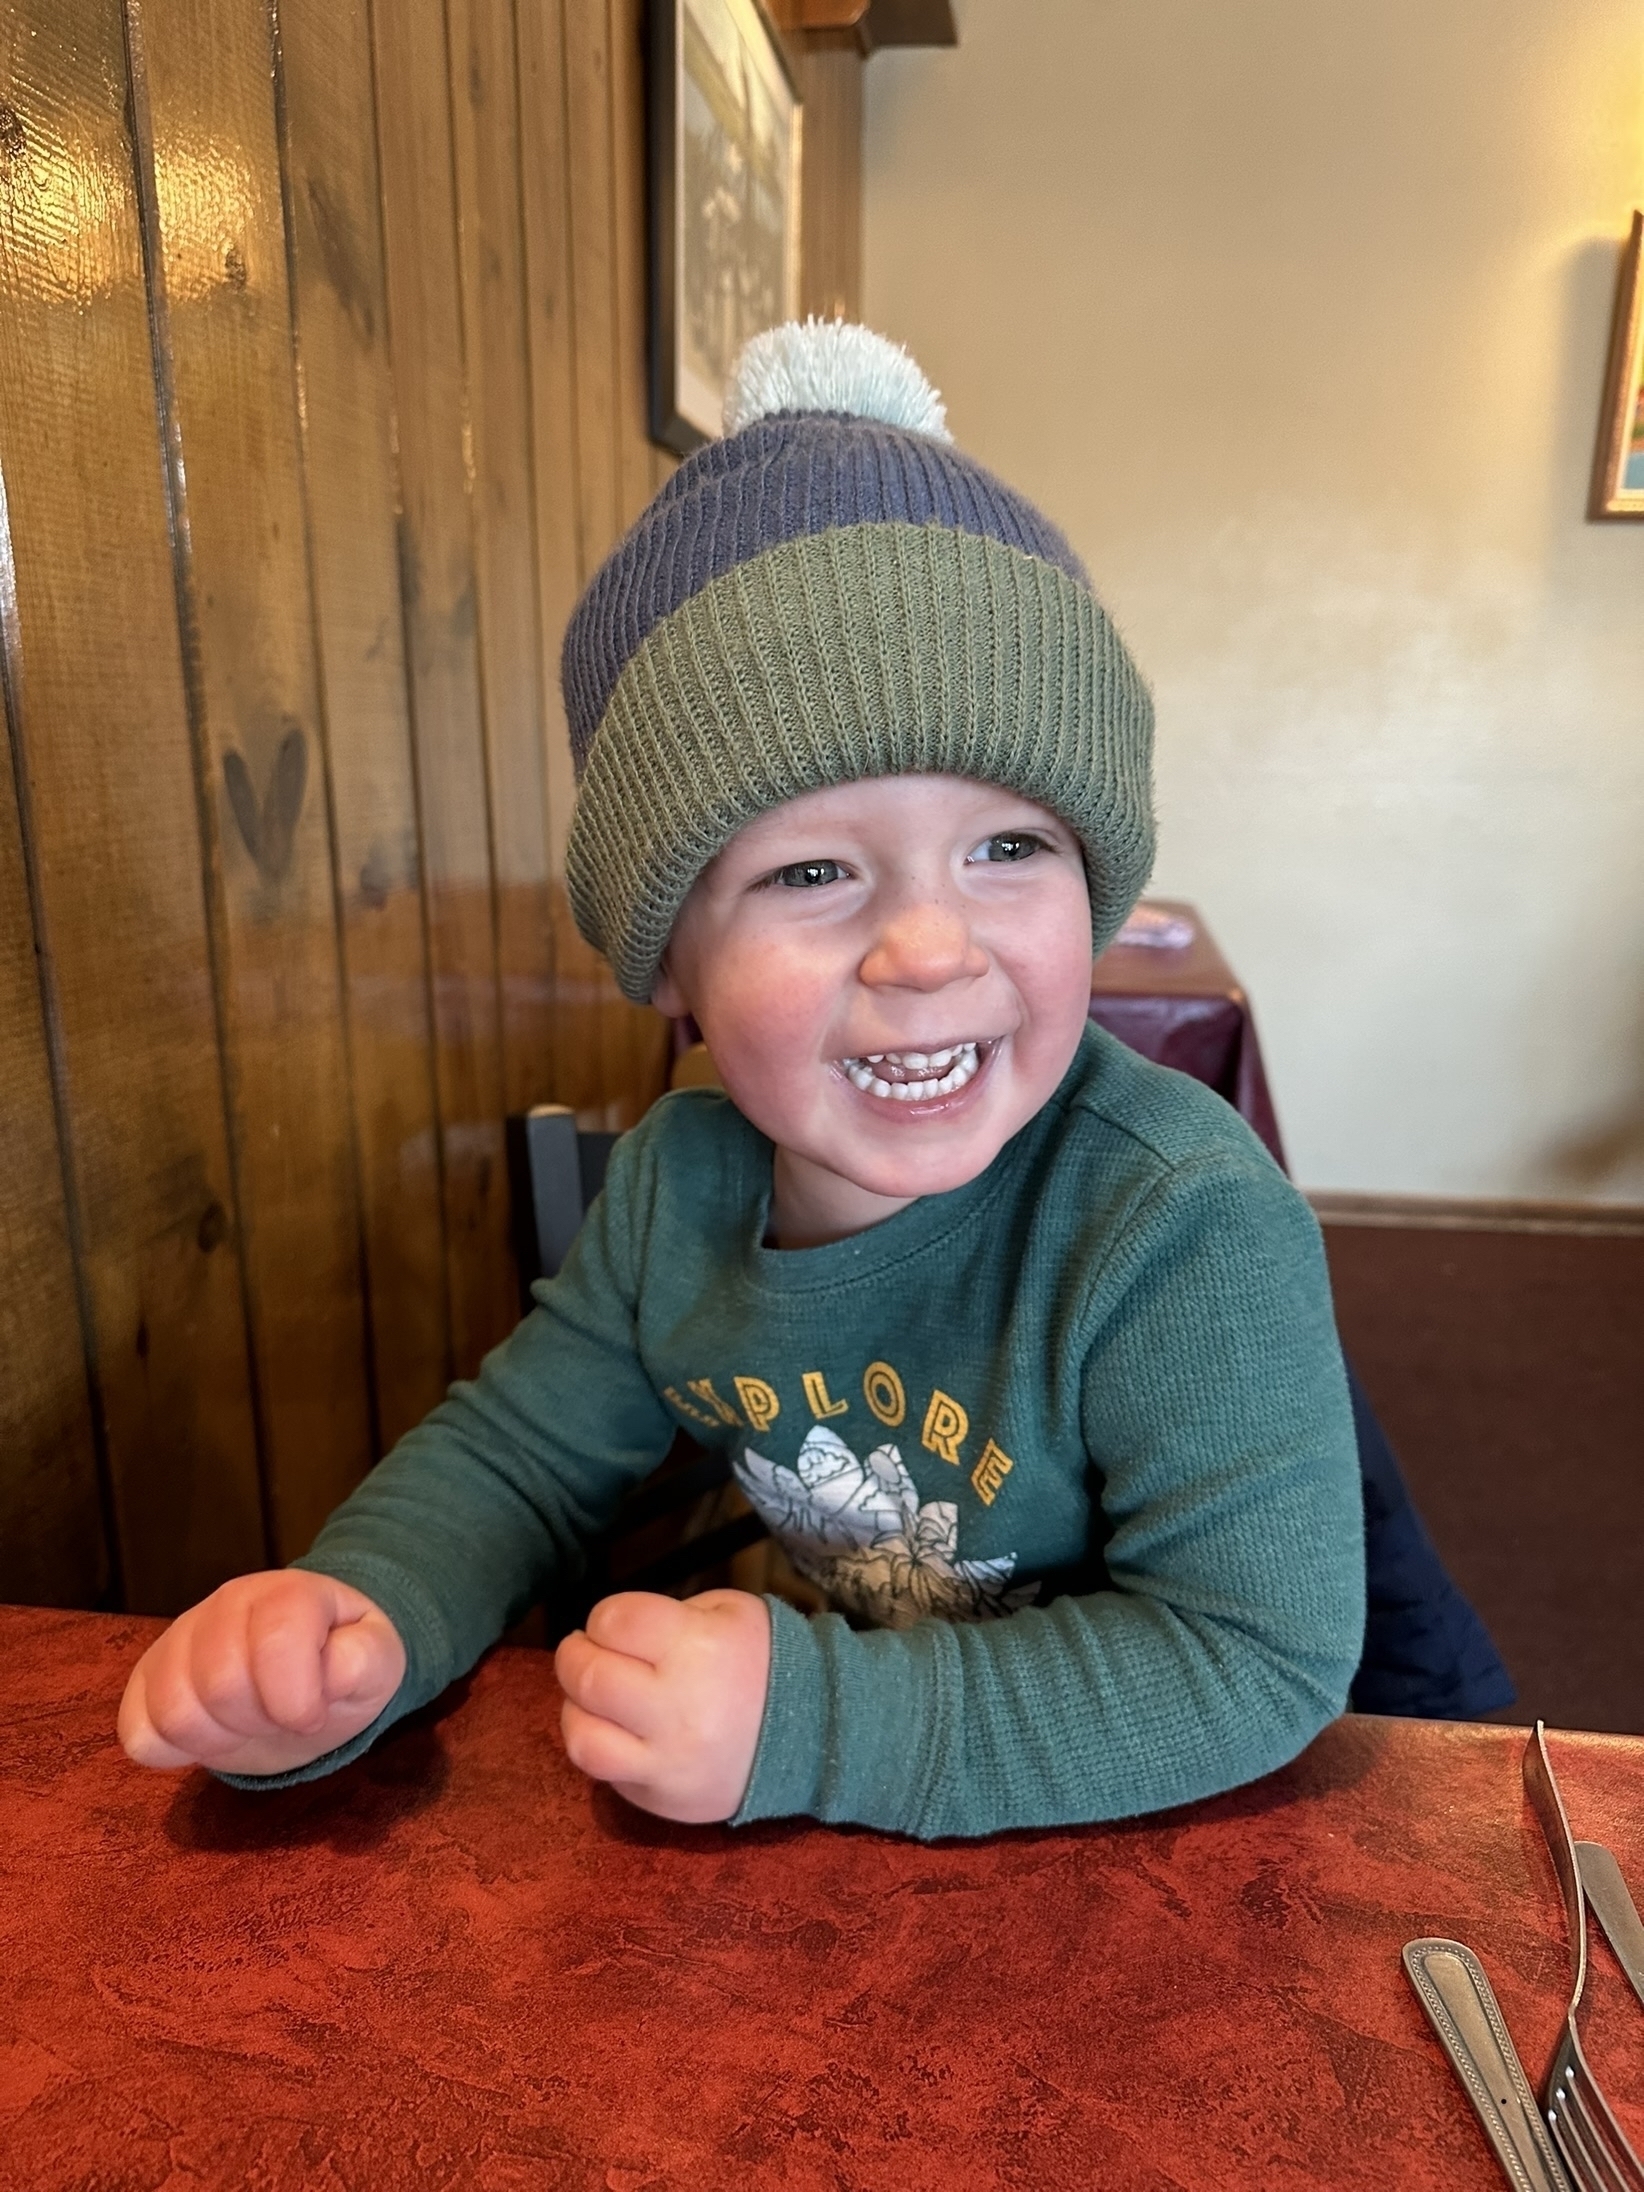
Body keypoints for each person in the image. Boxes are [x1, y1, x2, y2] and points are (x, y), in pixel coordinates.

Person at [121, 322, 1418, 1837]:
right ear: (666, 963)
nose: (929, 949)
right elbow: (524, 1456)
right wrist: (356, 1618)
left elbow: (1255, 1657)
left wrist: (817, 1725)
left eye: (1012, 846)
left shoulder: (1180, 1223)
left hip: (1140, 1870)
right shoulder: (682, 1179)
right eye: (811, 869)